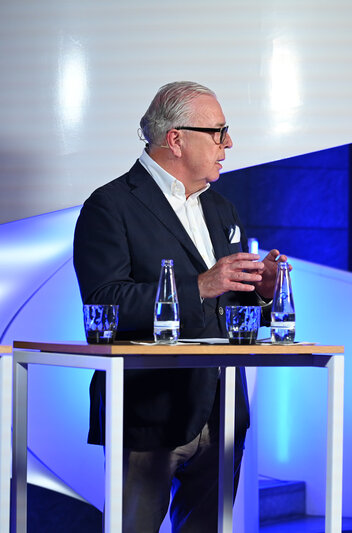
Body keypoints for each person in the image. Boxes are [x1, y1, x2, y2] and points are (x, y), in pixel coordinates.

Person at [73, 81, 286, 532]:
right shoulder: (109, 206)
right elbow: (104, 301)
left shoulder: (222, 208)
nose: (228, 143)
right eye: (218, 132)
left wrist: (262, 291)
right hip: (147, 413)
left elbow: (229, 305)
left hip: (222, 409)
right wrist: (200, 285)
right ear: (175, 138)